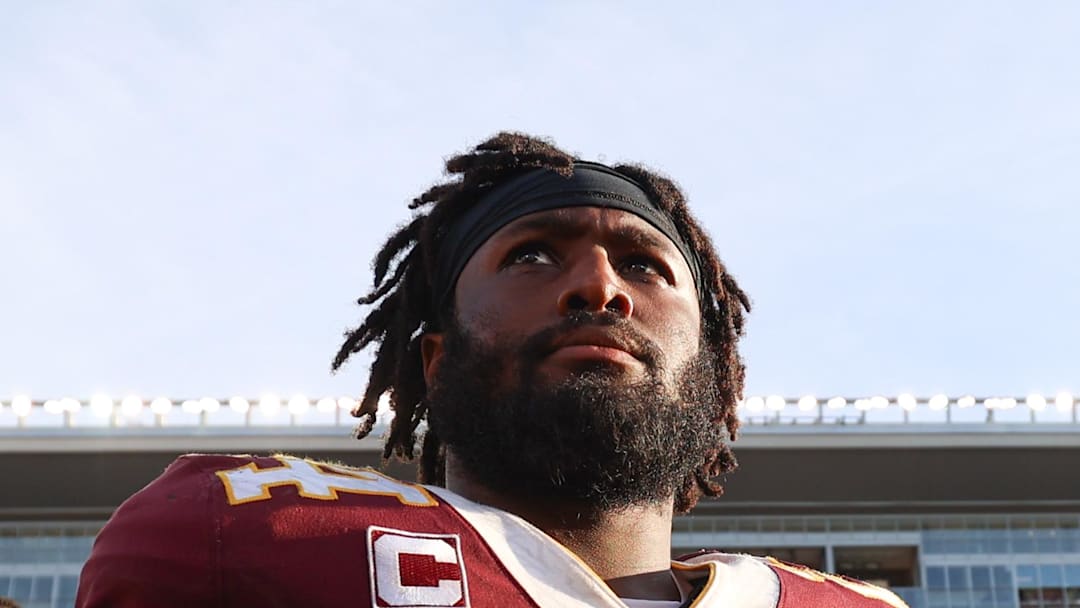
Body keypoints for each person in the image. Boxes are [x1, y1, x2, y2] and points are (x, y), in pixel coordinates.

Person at [76, 133, 907, 607]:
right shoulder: (243, 541)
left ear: (719, 375)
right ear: (433, 360)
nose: (598, 286)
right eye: (534, 255)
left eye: (645, 265)